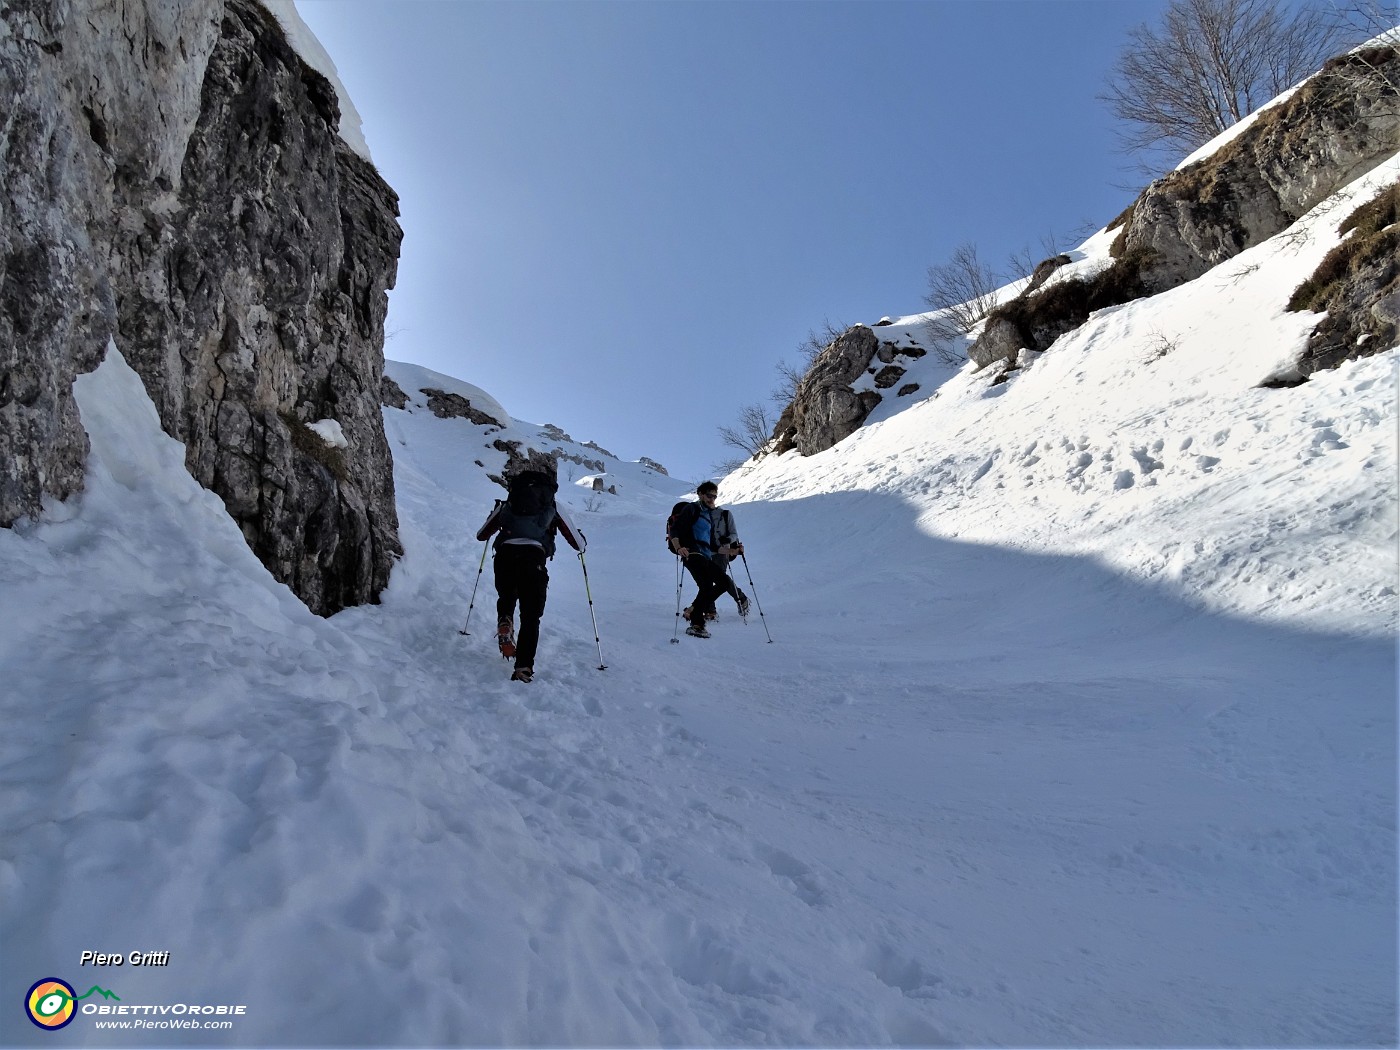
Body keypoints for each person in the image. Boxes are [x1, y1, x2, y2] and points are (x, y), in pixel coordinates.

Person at [476, 469, 585, 682]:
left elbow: (482, 535)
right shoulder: (552, 506)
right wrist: (582, 540)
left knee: (506, 596)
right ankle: (523, 667)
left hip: (505, 556)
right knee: (530, 616)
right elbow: (577, 544)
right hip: (533, 560)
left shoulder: (507, 505)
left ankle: (505, 620)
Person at [667, 480, 750, 638]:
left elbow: (713, 546)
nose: (711, 499)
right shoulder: (691, 509)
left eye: (714, 496)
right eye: (708, 495)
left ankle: (694, 615)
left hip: (705, 556)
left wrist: (733, 550)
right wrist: (679, 547)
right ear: (700, 494)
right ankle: (697, 624)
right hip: (692, 553)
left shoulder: (707, 517)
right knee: (710, 585)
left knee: (721, 583)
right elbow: (675, 530)